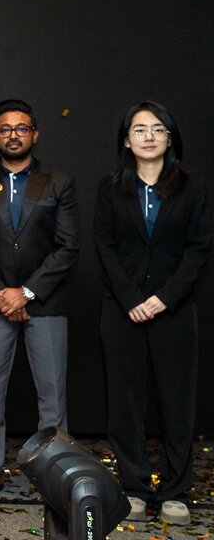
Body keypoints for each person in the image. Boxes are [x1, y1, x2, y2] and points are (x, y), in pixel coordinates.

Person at [95, 101, 211, 524]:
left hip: (174, 309)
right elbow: (104, 246)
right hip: (122, 310)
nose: (149, 136)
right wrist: (131, 299)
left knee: (177, 401)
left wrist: (165, 298)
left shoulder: (192, 187)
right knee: (125, 401)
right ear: (127, 140)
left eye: (158, 129)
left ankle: (176, 490)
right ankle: (135, 488)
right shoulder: (110, 188)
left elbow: (199, 247)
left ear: (169, 138)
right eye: (140, 129)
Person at [0, 99, 79, 500]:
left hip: (45, 301)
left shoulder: (59, 181)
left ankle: (55, 473)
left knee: (52, 394)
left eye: (21, 128)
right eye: (5, 129)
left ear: (35, 134)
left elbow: (67, 246)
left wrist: (25, 292)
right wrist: (3, 294)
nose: (14, 135)